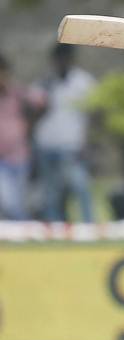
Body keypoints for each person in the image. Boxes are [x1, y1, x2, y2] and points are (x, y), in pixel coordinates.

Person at [34, 44, 95, 222]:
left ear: (71, 59)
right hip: (46, 145)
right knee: (51, 194)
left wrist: (89, 142)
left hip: (72, 146)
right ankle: (55, 231)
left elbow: (94, 115)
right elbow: (34, 113)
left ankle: (88, 226)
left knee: (80, 187)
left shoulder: (83, 82)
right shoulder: (44, 82)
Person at [0, 53, 45, 220]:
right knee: (7, 201)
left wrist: (31, 124)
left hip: (20, 156)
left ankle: (21, 235)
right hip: (1, 159)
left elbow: (41, 101)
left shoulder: (17, 93)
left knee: (19, 202)